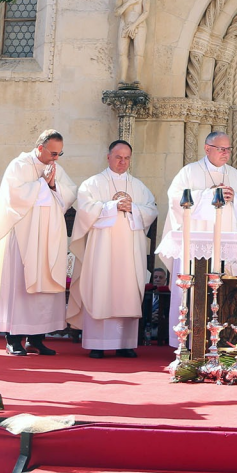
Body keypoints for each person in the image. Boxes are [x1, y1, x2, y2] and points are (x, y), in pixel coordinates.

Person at [0, 130, 77, 356]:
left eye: (59, 153)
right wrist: (43, 183)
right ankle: (13, 338)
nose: (56, 158)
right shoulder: (19, 165)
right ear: (40, 148)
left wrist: (54, 185)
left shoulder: (57, 169)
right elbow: (14, 197)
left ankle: (37, 338)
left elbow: (70, 195)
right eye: (53, 153)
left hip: (48, 235)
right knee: (20, 285)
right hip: (23, 235)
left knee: (45, 284)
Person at [162, 131, 237, 343]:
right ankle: (186, 342)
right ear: (207, 148)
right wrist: (209, 196)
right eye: (221, 149)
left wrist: (235, 198)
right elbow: (176, 199)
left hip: (226, 243)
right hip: (196, 245)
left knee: (226, 290)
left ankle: (225, 340)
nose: (225, 153)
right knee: (192, 290)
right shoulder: (189, 172)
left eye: (228, 149)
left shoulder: (234, 175)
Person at [67, 140, 158, 359]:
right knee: (102, 287)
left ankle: (124, 343)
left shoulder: (139, 187)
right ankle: (97, 343)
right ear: (108, 157)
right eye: (118, 157)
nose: (122, 162)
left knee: (126, 290)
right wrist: (112, 206)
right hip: (102, 250)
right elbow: (85, 209)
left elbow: (151, 210)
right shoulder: (92, 184)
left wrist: (133, 208)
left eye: (126, 158)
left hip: (130, 250)